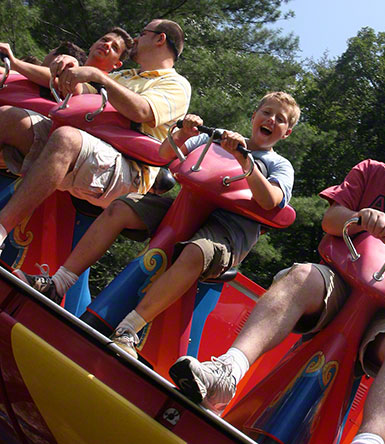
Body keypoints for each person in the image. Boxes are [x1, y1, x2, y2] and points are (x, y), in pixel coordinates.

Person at [169, 104, 385, 444]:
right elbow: (332, 220)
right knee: (299, 276)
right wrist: (361, 218)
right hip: (341, 282)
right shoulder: (370, 172)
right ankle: (228, 371)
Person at [16, 92, 300, 359]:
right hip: (184, 209)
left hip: (227, 229)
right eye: (267, 112)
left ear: (287, 133)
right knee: (121, 207)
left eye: (280, 119)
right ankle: (58, 283)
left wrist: (244, 160)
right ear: (254, 116)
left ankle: (130, 328)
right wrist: (184, 133)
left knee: (195, 252)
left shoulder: (279, 165)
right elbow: (165, 153)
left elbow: (270, 200)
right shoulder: (217, 141)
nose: (271, 120)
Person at [0, 19, 191, 249]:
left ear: (160, 39)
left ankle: (2, 228)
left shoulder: (176, 84)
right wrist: (65, 68)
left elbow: (141, 111)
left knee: (65, 138)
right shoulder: (124, 76)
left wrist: (99, 77)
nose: (136, 40)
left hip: (128, 170)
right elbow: (75, 89)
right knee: (9, 117)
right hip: (85, 146)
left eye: (142, 33)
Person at [0, 30, 131, 177]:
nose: (106, 45)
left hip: (54, 143)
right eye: (104, 40)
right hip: (23, 132)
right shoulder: (69, 65)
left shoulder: (104, 85)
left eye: (114, 48)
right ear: (93, 45)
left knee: (6, 116)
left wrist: (15, 63)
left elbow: (70, 86)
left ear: (117, 64)